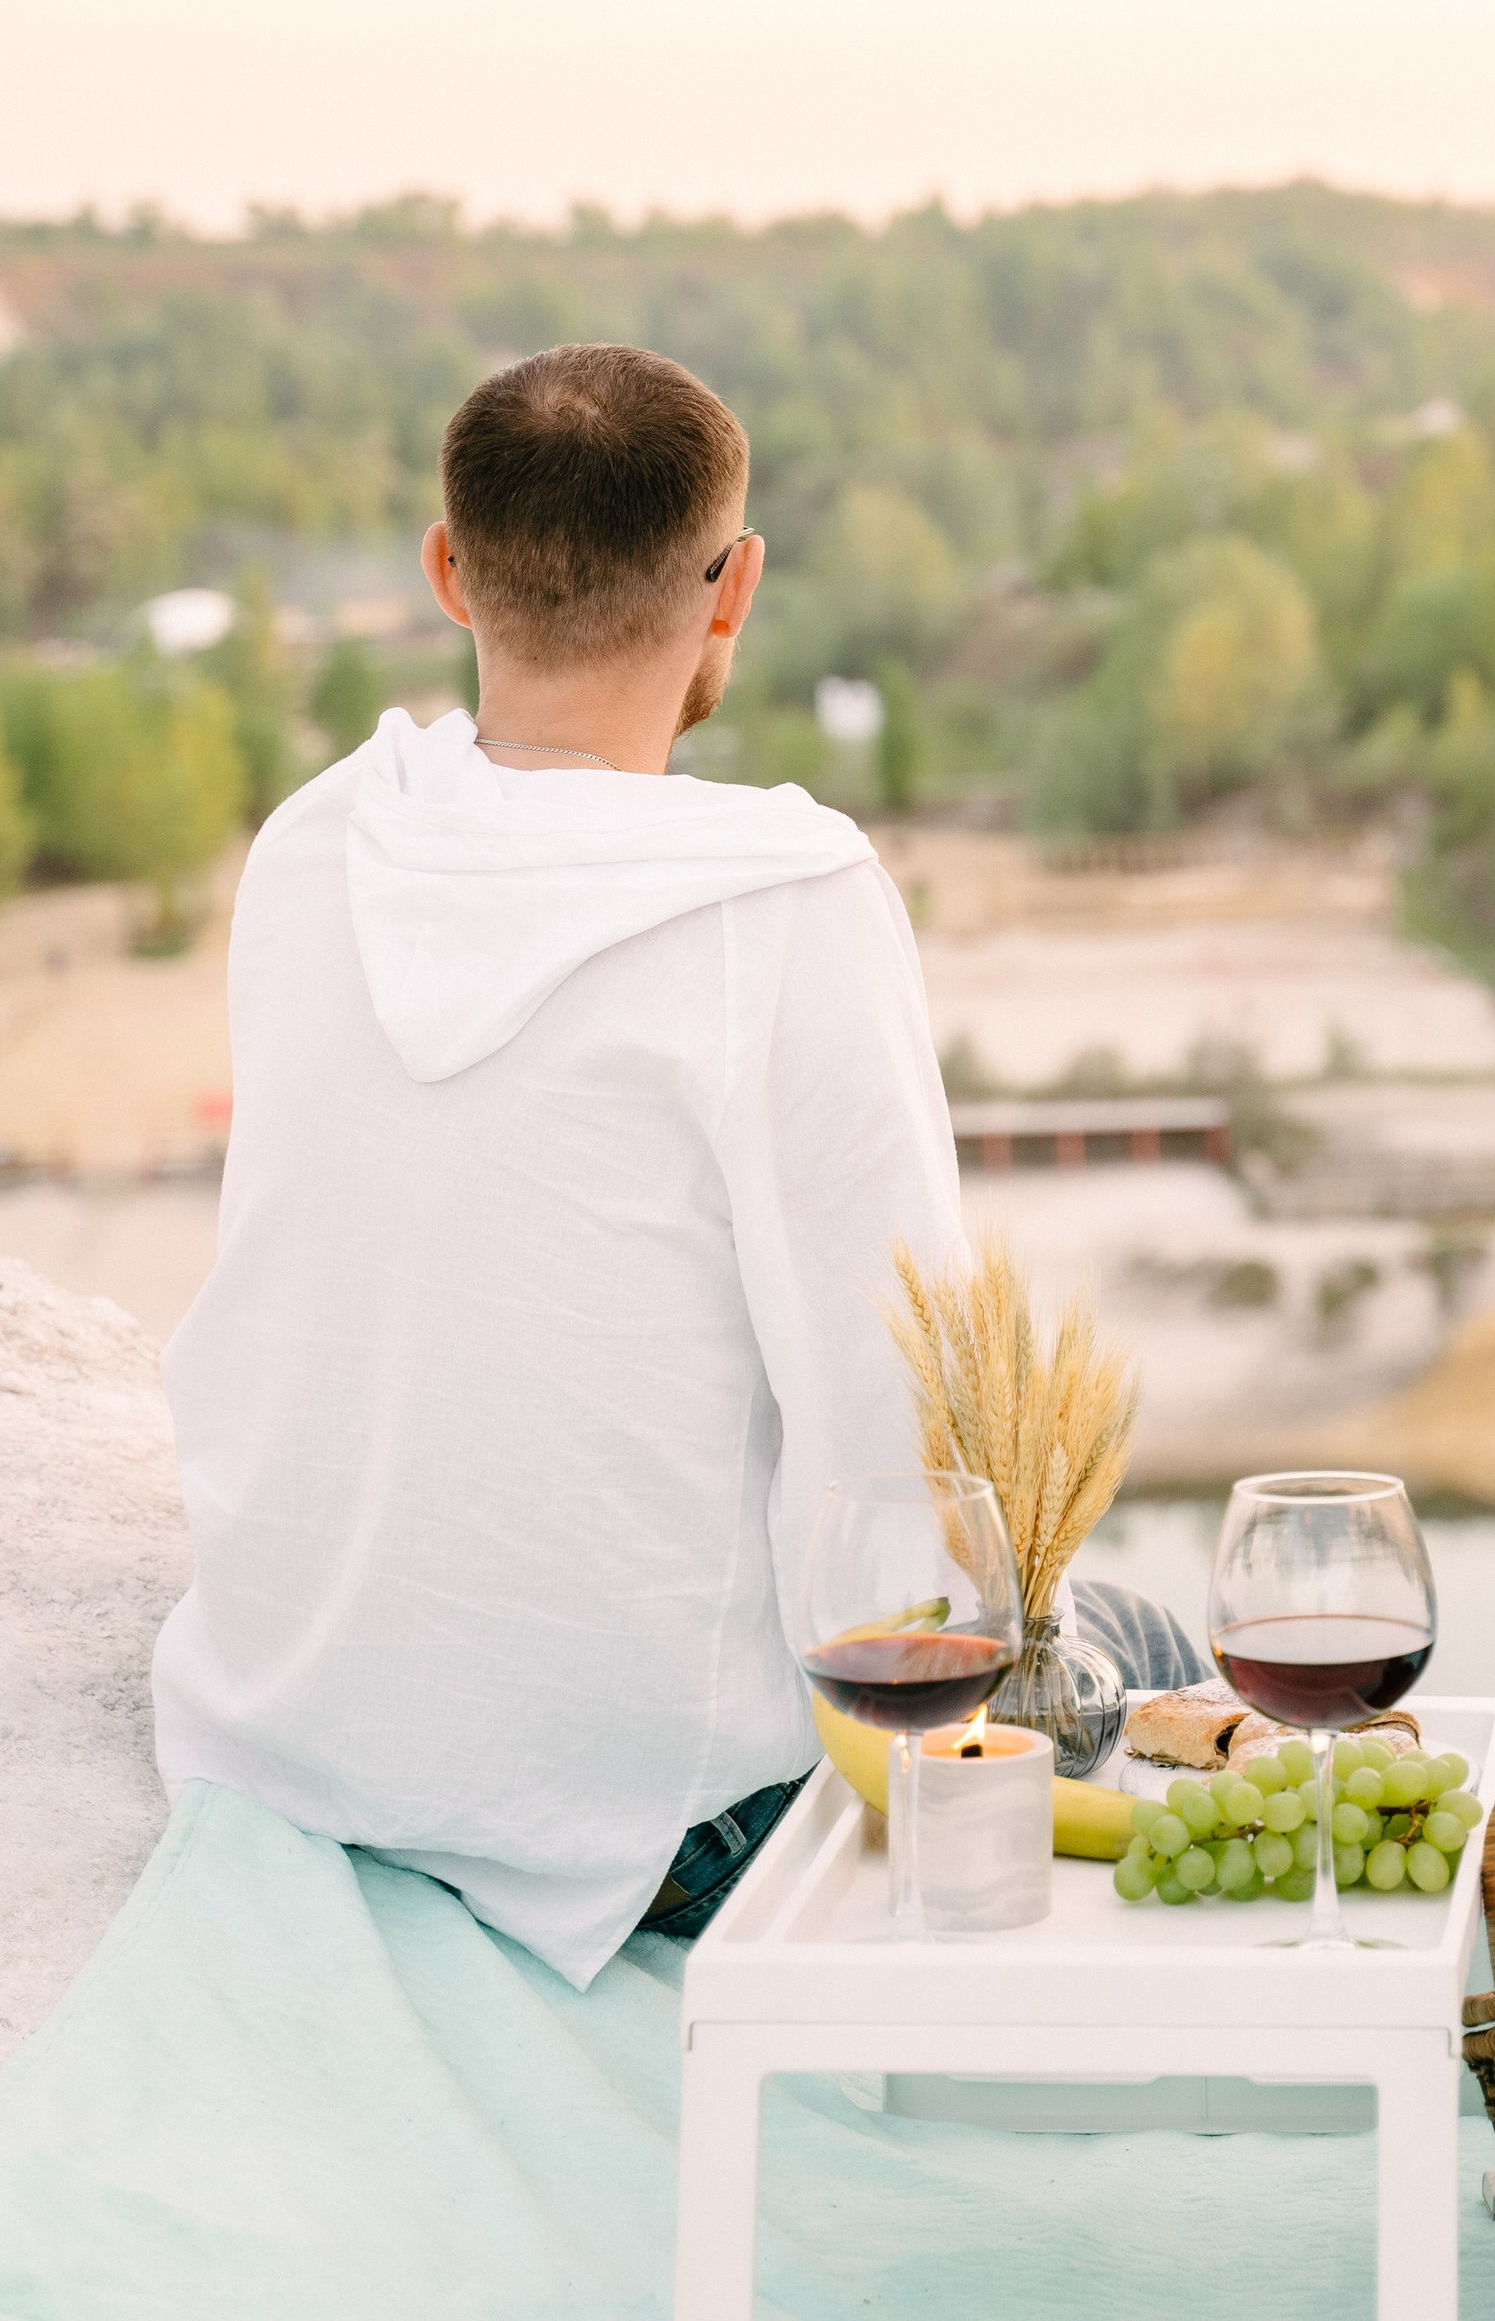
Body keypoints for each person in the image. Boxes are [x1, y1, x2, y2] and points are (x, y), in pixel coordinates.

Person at [152, 344, 1189, 1982]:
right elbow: (898, 1423)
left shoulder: (316, 845)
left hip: (297, 1727)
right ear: (738, 587)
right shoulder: (783, 904)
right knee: (1141, 1641)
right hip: (642, 1822)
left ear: (448, 572)